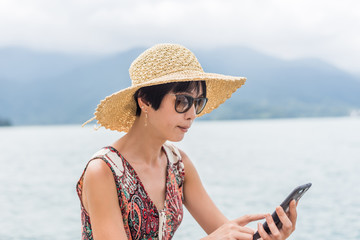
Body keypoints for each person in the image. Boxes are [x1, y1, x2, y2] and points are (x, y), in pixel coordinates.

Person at [76, 44, 298, 240]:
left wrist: (268, 238)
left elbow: (225, 233)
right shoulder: (103, 171)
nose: (192, 114)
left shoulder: (178, 165)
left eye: (198, 103)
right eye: (182, 101)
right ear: (144, 100)